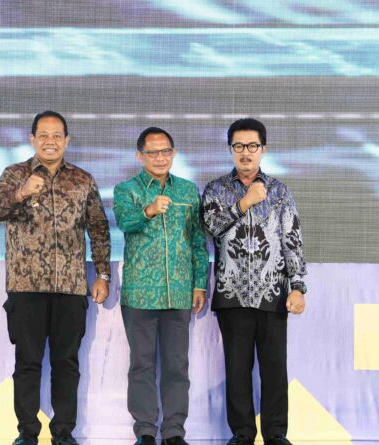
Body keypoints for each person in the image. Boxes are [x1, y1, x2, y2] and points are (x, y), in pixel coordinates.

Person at [0, 111, 111, 445]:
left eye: (57, 135)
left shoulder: (83, 179)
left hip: (70, 288)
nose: (50, 141)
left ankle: (63, 433)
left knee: (66, 364)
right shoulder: (15, 174)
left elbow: (99, 228)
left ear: (66, 141)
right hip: (26, 287)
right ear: (32, 140)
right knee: (27, 363)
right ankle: (27, 433)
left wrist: (102, 273)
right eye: (43, 135)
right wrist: (21, 193)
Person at [201, 118, 307, 445]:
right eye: (239, 146)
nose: (245, 152)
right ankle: (243, 433)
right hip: (232, 293)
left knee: (274, 370)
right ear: (230, 149)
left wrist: (298, 287)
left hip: (272, 293)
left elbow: (292, 241)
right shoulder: (216, 189)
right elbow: (210, 227)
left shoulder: (279, 191)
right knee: (237, 370)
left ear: (263, 149)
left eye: (252, 146)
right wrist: (243, 203)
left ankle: (276, 434)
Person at [113, 127, 209, 445]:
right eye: (152, 152)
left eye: (165, 151)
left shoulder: (188, 191)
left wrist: (199, 284)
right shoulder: (126, 189)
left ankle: (174, 432)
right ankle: (145, 431)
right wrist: (150, 210)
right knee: (141, 365)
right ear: (140, 156)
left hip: (179, 292)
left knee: (176, 366)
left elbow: (197, 240)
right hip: (140, 294)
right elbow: (125, 222)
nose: (160, 158)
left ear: (173, 153)